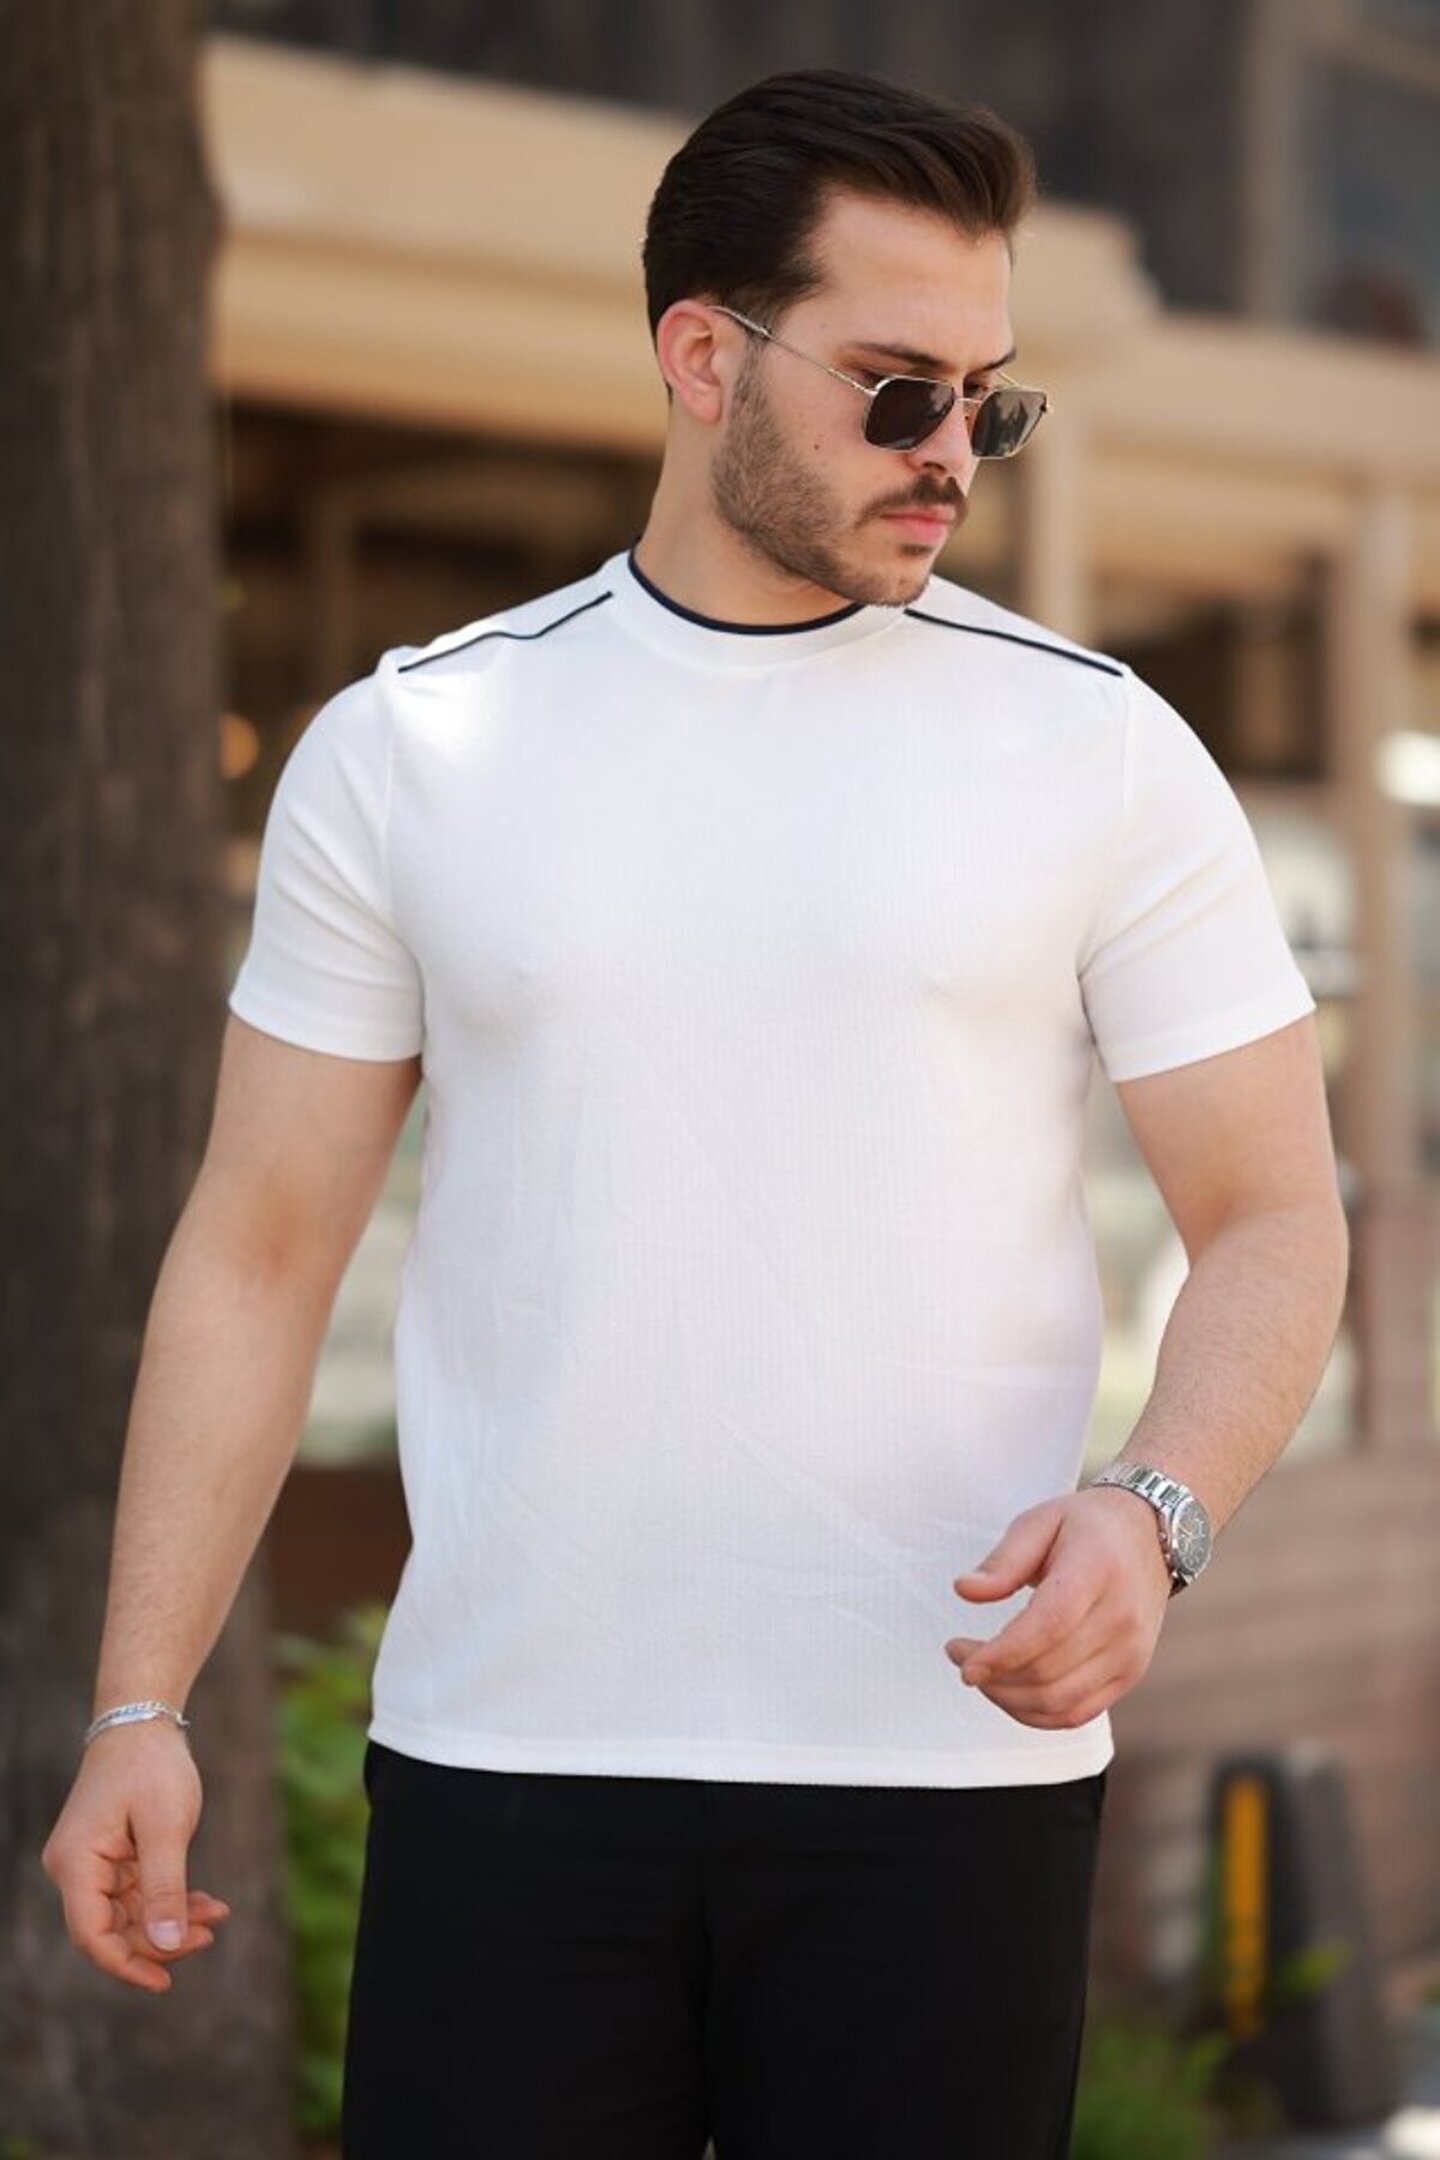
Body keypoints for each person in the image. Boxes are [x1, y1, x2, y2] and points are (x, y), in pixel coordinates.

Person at [42, 65, 1348, 2160]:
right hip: (507, 1773)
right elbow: (261, 1248)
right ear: (701, 355)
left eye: (987, 402)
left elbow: (1275, 1214)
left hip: (942, 1780)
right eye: (897, 391)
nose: (951, 455)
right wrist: (140, 1702)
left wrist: (1156, 1506)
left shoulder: (1100, 750)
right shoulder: (416, 744)